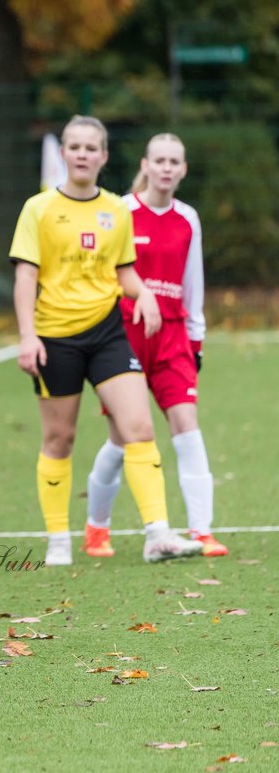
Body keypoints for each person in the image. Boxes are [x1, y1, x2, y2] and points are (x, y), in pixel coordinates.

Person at [9, 115, 202, 566]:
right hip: (55, 337)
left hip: (108, 333)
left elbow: (124, 271)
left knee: (139, 428)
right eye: (74, 147)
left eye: (90, 148)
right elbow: (25, 276)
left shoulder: (116, 208)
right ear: (63, 154)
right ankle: (59, 539)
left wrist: (146, 294)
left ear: (104, 156)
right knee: (61, 438)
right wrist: (27, 337)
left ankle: (158, 534)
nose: (81, 154)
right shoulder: (37, 209)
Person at [84, 134, 226, 557]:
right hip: (123, 335)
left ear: (183, 170)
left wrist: (195, 341)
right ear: (145, 165)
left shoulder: (188, 219)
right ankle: (97, 528)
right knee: (122, 437)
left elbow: (192, 286)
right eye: (159, 160)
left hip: (173, 338)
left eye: (174, 162)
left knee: (187, 426)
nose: (166, 168)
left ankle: (202, 531)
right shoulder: (120, 212)